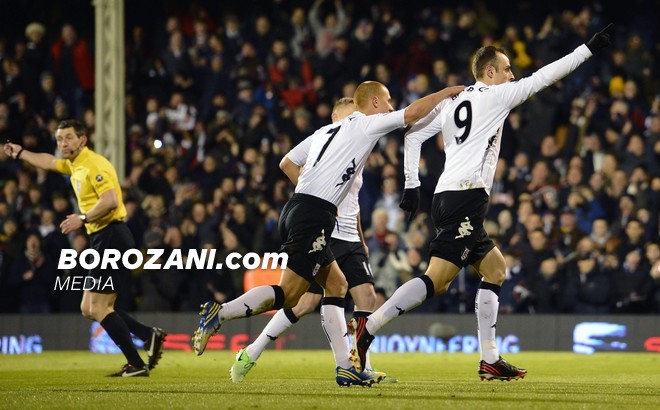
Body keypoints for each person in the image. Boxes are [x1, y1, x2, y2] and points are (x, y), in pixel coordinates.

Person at [349, 24, 615, 381]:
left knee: (495, 269)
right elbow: (544, 77)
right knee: (438, 280)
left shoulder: (453, 101)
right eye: (506, 69)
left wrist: (413, 184)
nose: (512, 74)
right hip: (465, 197)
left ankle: (490, 359)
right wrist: (587, 50)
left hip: (449, 195)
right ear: (490, 72)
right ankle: (371, 327)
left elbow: (412, 137)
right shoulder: (497, 95)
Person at [192, 82, 464, 385]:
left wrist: (312, 191)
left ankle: (346, 366)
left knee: (337, 284)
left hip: (300, 209)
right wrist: (446, 92)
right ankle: (221, 313)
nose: (390, 107)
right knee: (290, 295)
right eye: (387, 101)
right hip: (314, 215)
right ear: (373, 102)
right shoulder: (364, 124)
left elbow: (290, 162)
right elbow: (411, 114)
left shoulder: (324, 132)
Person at [230, 98, 392, 386]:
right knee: (304, 302)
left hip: (351, 238)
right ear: (333, 117)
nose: (352, 121)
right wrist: (310, 189)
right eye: (346, 116)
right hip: (326, 233)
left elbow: (351, 202)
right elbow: (288, 164)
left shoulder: (357, 146)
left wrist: (362, 238)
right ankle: (252, 351)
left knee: (367, 296)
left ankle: (359, 364)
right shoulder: (324, 146)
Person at [4, 120, 166, 377]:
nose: (63, 144)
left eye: (68, 137)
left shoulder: (94, 164)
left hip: (111, 235)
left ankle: (136, 363)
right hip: (102, 237)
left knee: (99, 308)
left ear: (83, 139)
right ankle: (147, 335)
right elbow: (48, 161)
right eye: (59, 139)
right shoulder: (74, 164)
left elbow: (111, 200)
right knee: (89, 308)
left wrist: (83, 218)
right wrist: (21, 153)